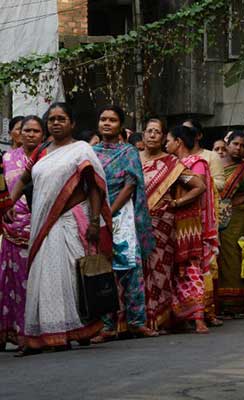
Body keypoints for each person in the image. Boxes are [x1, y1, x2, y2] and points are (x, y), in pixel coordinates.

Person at [10, 103, 113, 356]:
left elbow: (94, 186)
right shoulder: (43, 151)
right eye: (52, 119)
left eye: (61, 119)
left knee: (70, 277)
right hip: (43, 223)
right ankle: (44, 334)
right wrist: (7, 203)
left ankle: (79, 329)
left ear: (72, 123)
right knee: (43, 277)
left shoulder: (82, 150)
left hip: (71, 220)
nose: (55, 123)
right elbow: (24, 179)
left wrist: (94, 222)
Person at [92, 105, 157, 342]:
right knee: (103, 270)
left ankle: (137, 322)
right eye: (103, 119)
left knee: (131, 269)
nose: (107, 123)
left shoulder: (128, 152)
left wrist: (110, 211)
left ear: (120, 125)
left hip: (122, 216)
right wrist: (99, 214)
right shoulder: (90, 152)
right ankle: (107, 326)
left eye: (112, 120)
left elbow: (131, 185)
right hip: (95, 215)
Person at [140, 118, 206, 332]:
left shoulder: (172, 164)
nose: (152, 135)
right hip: (136, 223)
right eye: (148, 131)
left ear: (163, 138)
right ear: (142, 136)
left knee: (160, 272)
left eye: (157, 132)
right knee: (139, 271)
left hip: (163, 224)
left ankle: (161, 318)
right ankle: (140, 320)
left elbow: (199, 185)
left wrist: (177, 203)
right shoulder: (133, 160)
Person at [166, 125, 218, 332]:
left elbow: (200, 190)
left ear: (178, 141)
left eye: (168, 140)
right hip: (171, 224)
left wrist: (177, 203)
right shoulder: (170, 164)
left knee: (192, 270)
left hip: (191, 225)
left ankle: (198, 317)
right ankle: (180, 316)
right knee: (176, 272)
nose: (165, 144)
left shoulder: (195, 164)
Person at [0, 116, 44, 351]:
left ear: (43, 134)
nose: (29, 134)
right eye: (25, 130)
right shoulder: (6, 159)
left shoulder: (48, 158)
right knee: (15, 284)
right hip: (12, 227)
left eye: (35, 131)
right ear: (17, 134)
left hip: (42, 227)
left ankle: (39, 331)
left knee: (38, 283)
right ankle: (17, 331)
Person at [182, 119, 224, 325]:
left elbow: (219, 183)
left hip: (203, 216)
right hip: (182, 220)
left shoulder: (207, 158)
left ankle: (208, 311)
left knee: (207, 265)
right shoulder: (174, 161)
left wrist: (195, 178)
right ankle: (186, 311)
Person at [217, 132, 244, 317]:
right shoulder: (215, 166)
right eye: (235, 144)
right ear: (227, 144)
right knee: (217, 260)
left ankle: (235, 304)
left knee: (234, 260)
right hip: (216, 219)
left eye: (242, 145)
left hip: (239, 219)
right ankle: (217, 304)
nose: (239, 148)